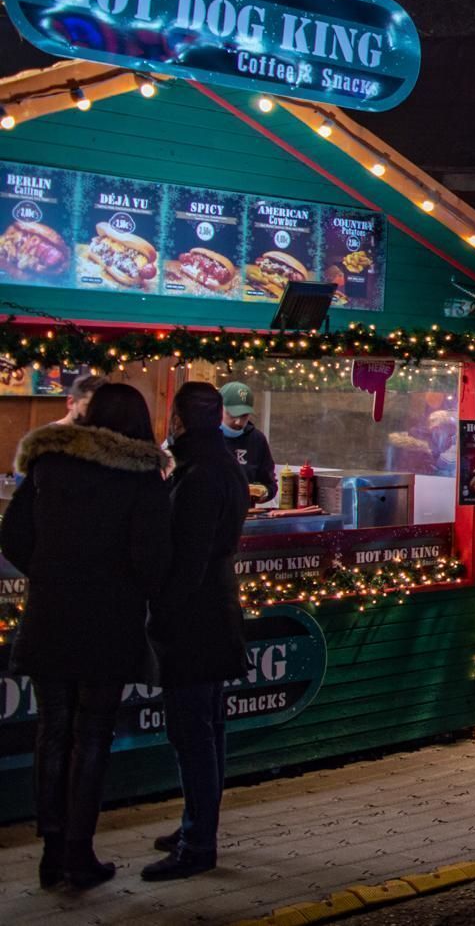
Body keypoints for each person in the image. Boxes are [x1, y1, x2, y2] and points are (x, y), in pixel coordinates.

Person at [2, 384, 171, 890]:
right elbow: (154, 559)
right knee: (92, 733)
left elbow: (11, 536)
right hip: (109, 622)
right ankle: (79, 852)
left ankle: (51, 853)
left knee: (52, 730)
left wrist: (51, 574)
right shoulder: (143, 478)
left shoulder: (48, 466)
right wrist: (127, 587)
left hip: (50, 615)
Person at [144, 381, 250, 881]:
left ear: (179, 420)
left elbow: (189, 554)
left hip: (195, 616)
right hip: (216, 608)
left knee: (192, 731)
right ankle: (198, 822)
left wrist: (163, 611)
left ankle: (197, 842)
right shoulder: (220, 463)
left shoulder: (199, 472)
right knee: (207, 728)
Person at [217, 381, 278, 501]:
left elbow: (270, 484)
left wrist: (263, 493)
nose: (238, 422)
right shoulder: (203, 438)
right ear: (219, 408)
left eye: (244, 416)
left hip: (246, 515)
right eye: (232, 415)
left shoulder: (257, 440)